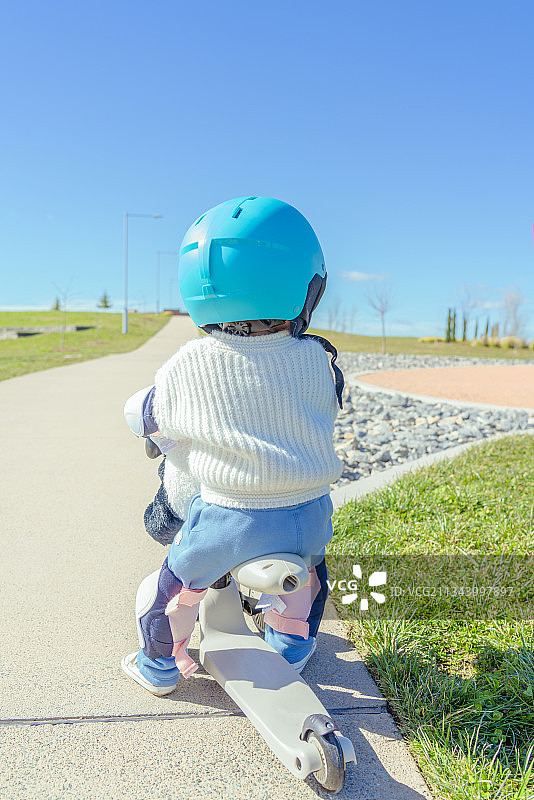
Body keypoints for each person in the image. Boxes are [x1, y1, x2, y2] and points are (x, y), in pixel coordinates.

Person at [121, 196, 344, 696]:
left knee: (174, 588)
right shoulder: (318, 359)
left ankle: (158, 663)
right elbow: (328, 408)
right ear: (308, 289)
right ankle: (293, 644)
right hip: (310, 515)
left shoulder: (190, 363)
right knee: (308, 573)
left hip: (230, 522)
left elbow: (146, 413)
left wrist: (145, 423)